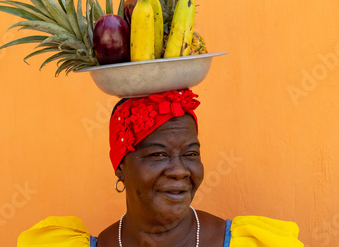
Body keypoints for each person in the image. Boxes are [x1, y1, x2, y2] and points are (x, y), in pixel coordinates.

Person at [17, 89, 304, 246]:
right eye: (157, 155)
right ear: (120, 167)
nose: (180, 171)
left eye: (191, 153)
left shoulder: (248, 243)